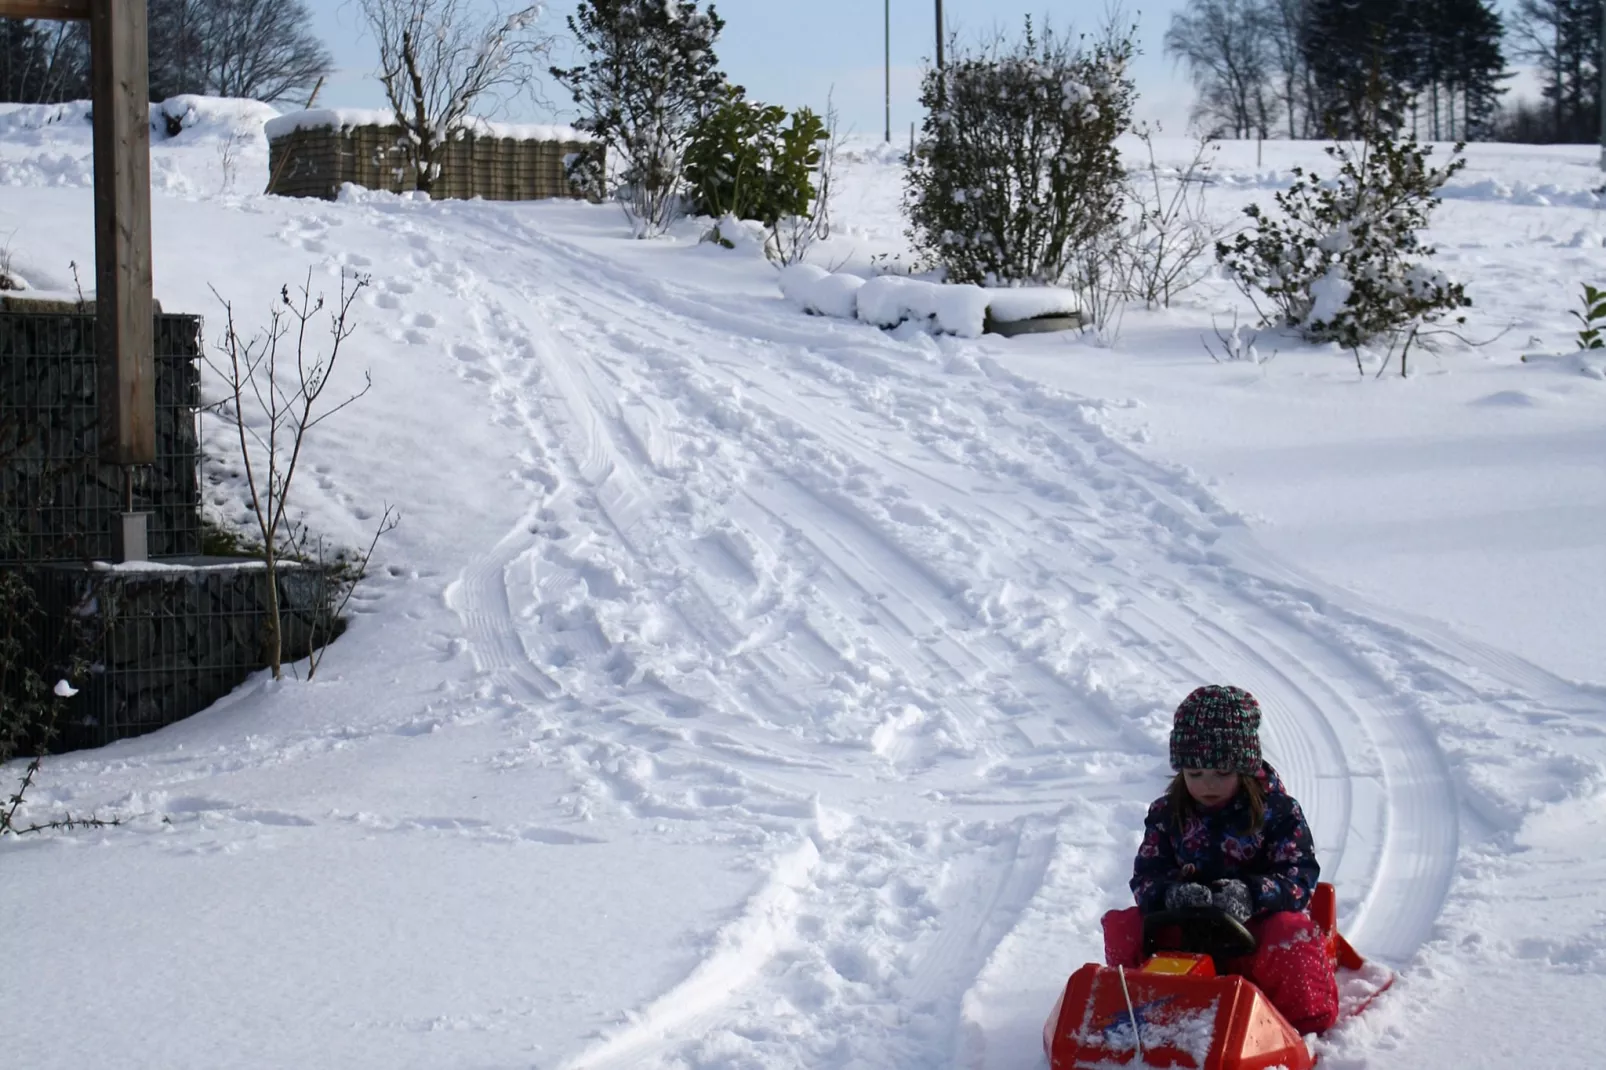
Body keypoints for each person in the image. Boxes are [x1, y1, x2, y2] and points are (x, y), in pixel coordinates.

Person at [1102, 684, 1340, 1035]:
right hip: (1187, 931)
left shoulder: (1278, 812)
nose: (1207, 784)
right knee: (1123, 925)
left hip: (1254, 936)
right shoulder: (1168, 812)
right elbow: (1147, 876)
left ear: (1245, 766)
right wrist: (1170, 894)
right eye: (1194, 774)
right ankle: (1133, 1007)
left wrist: (1251, 894)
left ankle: (1301, 1024)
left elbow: (1299, 877)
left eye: (1222, 773)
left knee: (1291, 934)